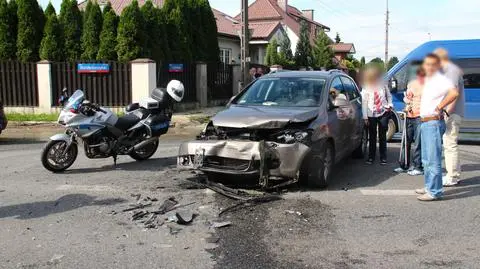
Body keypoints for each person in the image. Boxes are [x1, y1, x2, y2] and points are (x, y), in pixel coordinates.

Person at [415, 53, 458, 201]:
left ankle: (434, 191)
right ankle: (429, 186)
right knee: (426, 159)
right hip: (426, 122)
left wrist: (440, 107)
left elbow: (454, 93)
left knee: (433, 159)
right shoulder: (430, 81)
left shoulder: (441, 79)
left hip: (433, 122)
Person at [434, 48, 465, 187]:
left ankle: (452, 176)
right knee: (450, 143)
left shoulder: (451, 70)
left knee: (449, 144)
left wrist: (445, 111)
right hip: (453, 113)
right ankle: (454, 174)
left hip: (452, 113)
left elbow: (454, 93)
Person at [394, 67, 425, 175]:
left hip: (419, 116)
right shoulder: (411, 83)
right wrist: (406, 105)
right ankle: (404, 165)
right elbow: (408, 98)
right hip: (409, 115)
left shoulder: (427, 85)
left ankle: (418, 167)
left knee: (418, 143)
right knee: (405, 141)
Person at [361, 66, 393, 165]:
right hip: (371, 114)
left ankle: (383, 157)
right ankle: (371, 157)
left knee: (383, 136)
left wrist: (390, 104)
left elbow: (389, 95)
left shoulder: (383, 84)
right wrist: (365, 117)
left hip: (383, 112)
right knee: (372, 136)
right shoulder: (366, 87)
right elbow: (364, 102)